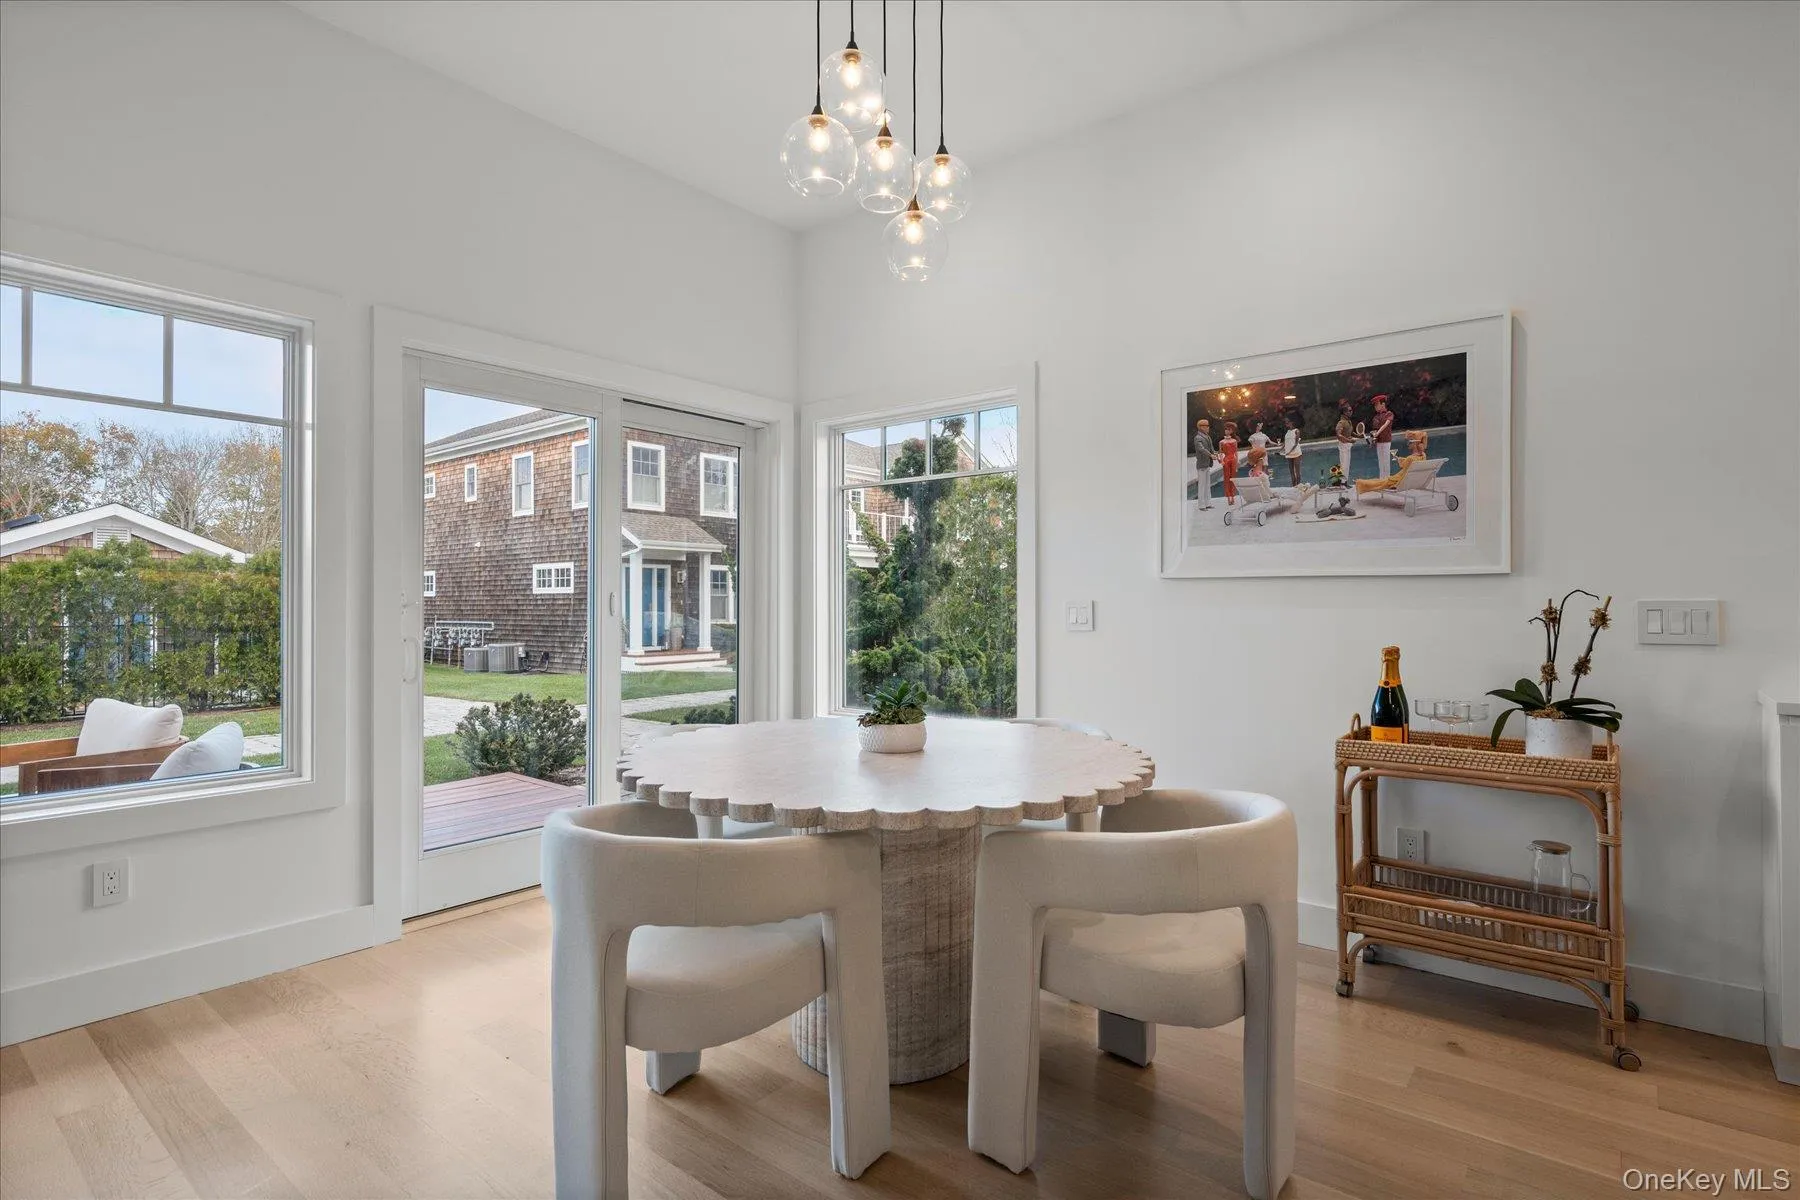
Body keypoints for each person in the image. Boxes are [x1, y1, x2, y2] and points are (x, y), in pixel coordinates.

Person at [1192, 418, 1219, 510]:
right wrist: (1211, 455)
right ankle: (1201, 505)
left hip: (1207, 464)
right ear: (1201, 427)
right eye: (1206, 426)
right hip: (1202, 464)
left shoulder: (1207, 436)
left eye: (1208, 426)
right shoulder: (1198, 438)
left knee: (1207, 484)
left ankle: (1208, 503)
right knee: (1202, 485)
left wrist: (1215, 453)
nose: (1208, 427)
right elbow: (1201, 449)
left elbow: (1210, 448)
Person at [1370, 395, 1396, 480]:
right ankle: (1382, 479)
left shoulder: (1389, 414)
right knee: (1381, 462)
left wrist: (1377, 433)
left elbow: (1386, 425)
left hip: (1386, 441)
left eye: (1377, 404)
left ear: (1383, 404)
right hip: (1379, 442)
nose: (1375, 407)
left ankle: (1387, 479)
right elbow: (1375, 429)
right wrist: (1373, 438)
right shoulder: (1376, 417)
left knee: (1386, 461)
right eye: (1375, 405)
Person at [1334, 401, 1357, 484]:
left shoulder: (1348, 422)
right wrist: (1349, 440)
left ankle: (1345, 482)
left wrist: (1359, 435)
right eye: (1349, 411)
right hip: (1344, 446)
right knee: (1344, 465)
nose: (1351, 412)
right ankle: (1342, 483)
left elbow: (1350, 433)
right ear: (1344, 412)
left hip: (1347, 446)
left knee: (1347, 465)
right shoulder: (1341, 423)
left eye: (1351, 410)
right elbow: (1339, 435)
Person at [1218, 421, 1240, 505]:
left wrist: (1237, 463)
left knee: (1233, 478)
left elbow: (1236, 452)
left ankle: (1233, 497)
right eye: (1226, 429)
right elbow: (1220, 453)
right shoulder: (1221, 442)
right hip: (1226, 460)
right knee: (1227, 479)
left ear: (1231, 431)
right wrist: (1221, 461)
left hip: (1233, 460)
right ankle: (1228, 498)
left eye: (1228, 430)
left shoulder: (1234, 441)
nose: (1226, 431)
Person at [1281, 414, 1303, 486]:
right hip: (1288, 454)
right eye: (1286, 422)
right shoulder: (1287, 432)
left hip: (1296, 453)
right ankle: (1294, 487)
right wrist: (1280, 449)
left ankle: (1299, 486)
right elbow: (1285, 442)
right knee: (1291, 472)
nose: (1286, 423)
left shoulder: (1297, 431)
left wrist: (1290, 451)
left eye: (1287, 422)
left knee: (1297, 471)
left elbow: (1296, 443)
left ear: (1292, 422)